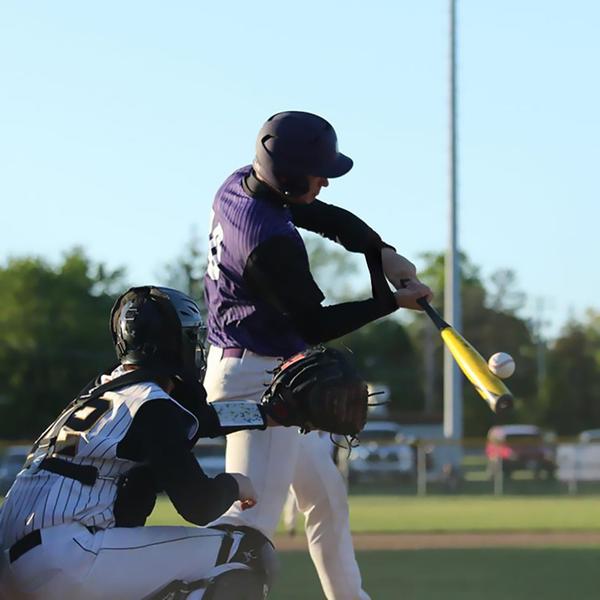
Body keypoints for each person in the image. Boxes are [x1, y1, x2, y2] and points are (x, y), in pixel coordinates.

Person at [203, 111, 433, 599]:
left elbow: (321, 216)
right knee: (249, 527)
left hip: (264, 364)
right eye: (317, 171)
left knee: (326, 498)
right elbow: (315, 324)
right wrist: (391, 303)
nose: (326, 180)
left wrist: (381, 251)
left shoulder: (242, 183)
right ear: (285, 175)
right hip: (256, 380)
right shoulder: (266, 242)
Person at [0, 286, 280, 600]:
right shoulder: (151, 403)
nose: (196, 346)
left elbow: (200, 419)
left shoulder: (99, 394)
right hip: (66, 556)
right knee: (247, 550)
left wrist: (266, 413)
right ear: (170, 344)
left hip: (15, 562)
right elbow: (198, 505)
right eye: (190, 337)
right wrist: (235, 483)